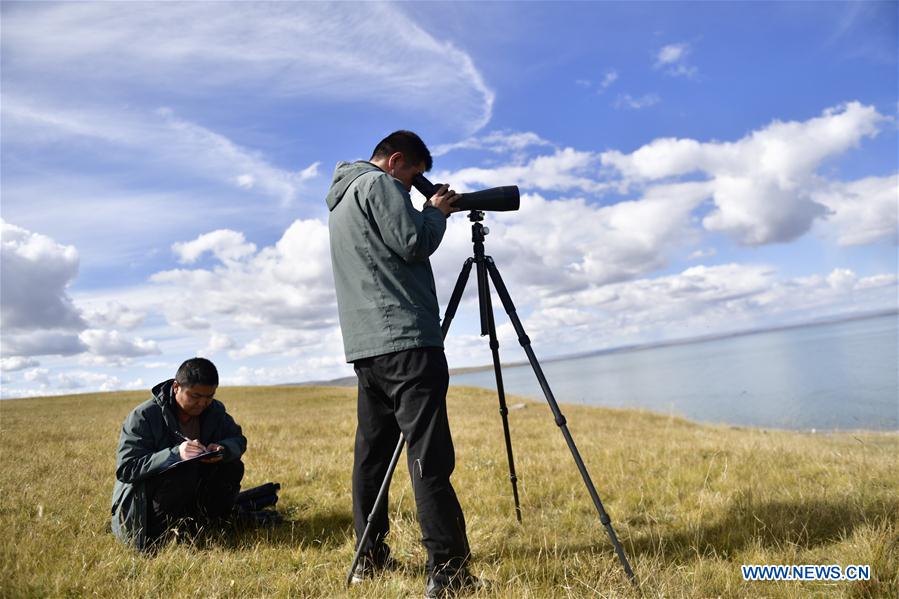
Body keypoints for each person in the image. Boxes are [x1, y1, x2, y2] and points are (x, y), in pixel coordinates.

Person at [326, 130, 484, 597]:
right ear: (395, 162)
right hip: (408, 342)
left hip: (367, 347)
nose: (415, 184)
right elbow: (413, 242)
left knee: (372, 458)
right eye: (413, 175)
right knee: (429, 458)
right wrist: (435, 213)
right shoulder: (378, 186)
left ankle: (368, 559)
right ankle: (449, 573)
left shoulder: (343, 197)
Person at [110, 357, 246, 551]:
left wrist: (223, 449)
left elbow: (238, 440)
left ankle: (210, 528)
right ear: (176, 387)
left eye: (209, 397)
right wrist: (175, 454)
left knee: (232, 466)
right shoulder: (144, 416)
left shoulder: (215, 411)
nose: (202, 403)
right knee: (182, 472)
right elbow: (127, 469)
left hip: (193, 490)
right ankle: (159, 539)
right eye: (195, 396)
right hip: (144, 506)